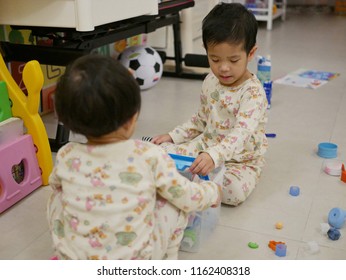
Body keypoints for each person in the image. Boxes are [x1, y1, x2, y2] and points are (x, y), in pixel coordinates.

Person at [47, 54, 220, 260]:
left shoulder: (66, 154)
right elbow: (188, 197)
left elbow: (54, 184)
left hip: (77, 260)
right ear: (131, 120)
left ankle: (64, 254)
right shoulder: (149, 155)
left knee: (57, 195)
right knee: (173, 202)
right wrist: (211, 192)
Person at [151, 3, 268, 206]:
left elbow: (241, 134)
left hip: (240, 161)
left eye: (233, 60)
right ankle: (194, 183)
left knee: (234, 192)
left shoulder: (253, 93)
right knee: (161, 155)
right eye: (214, 59)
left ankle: (191, 185)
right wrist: (174, 135)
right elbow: (201, 119)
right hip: (206, 146)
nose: (223, 68)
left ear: (250, 53)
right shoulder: (210, 81)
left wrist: (215, 156)